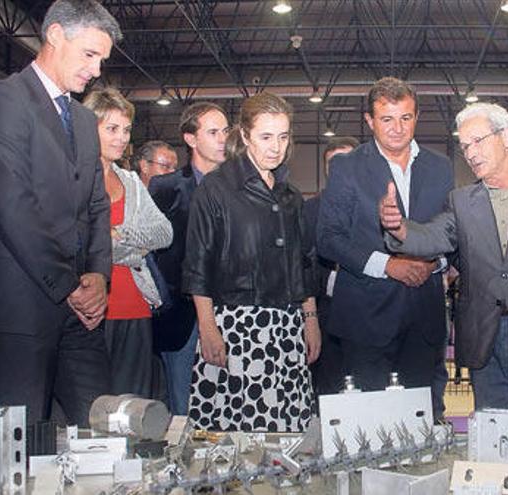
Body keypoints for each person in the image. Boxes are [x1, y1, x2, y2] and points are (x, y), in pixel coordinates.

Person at [380, 102, 508, 432]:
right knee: (496, 454)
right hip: (485, 346)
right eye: (465, 146)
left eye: (478, 141)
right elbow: (433, 235)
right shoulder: (460, 201)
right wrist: (398, 229)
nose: (471, 153)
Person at [0, 0, 120, 426]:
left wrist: (97, 275)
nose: (96, 70)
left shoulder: (85, 121)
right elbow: (14, 206)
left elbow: (95, 205)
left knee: (103, 426)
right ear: (54, 35)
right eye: (89, 55)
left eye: (102, 60)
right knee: (20, 439)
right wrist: (69, 283)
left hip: (81, 306)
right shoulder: (4, 100)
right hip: (18, 305)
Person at [183, 92, 319, 431]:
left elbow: (303, 262)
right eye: (266, 136)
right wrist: (208, 326)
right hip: (236, 326)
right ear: (244, 136)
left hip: (288, 327)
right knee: (237, 434)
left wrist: (310, 319)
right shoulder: (215, 189)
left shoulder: (291, 197)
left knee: (288, 431)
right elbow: (197, 264)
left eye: (283, 136)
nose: (276, 147)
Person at [317, 77, 453, 411]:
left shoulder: (441, 167)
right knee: (371, 425)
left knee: (423, 420)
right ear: (369, 121)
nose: (397, 128)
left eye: (405, 118)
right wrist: (389, 265)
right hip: (366, 321)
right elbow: (329, 238)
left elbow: (453, 232)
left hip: (425, 319)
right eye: (386, 119)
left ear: (417, 117)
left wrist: (434, 263)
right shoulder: (347, 167)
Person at [82, 88, 172, 398]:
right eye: (112, 129)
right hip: (89, 307)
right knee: (89, 410)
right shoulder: (72, 178)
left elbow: (164, 233)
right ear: (87, 128)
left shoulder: (131, 182)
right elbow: (78, 244)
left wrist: (120, 235)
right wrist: (134, 251)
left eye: (126, 129)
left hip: (136, 306)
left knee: (133, 411)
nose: (121, 138)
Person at [150, 102, 229, 416]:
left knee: (226, 404)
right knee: (183, 407)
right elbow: (153, 252)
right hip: (181, 316)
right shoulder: (166, 187)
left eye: (225, 131)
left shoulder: (239, 186)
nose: (223, 138)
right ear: (191, 139)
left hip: (230, 312)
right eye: (213, 132)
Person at [303, 136, 358, 396]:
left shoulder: (378, 208)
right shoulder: (308, 210)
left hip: (369, 312)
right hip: (325, 311)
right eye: (332, 164)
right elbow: (302, 264)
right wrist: (309, 317)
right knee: (327, 389)